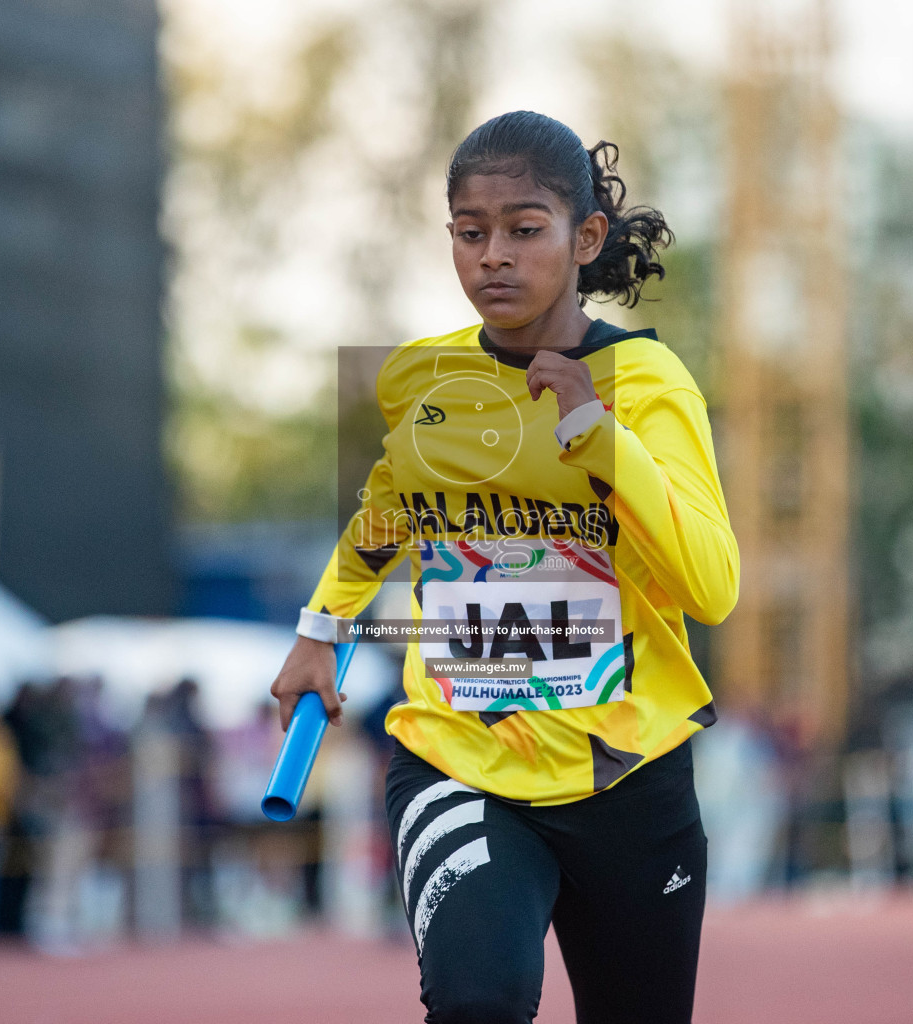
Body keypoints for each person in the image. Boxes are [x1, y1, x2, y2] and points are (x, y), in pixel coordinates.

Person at [269, 110, 739, 1024]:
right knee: (477, 1003)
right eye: (470, 233)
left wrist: (601, 441)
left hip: (626, 774)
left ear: (584, 237)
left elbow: (712, 587)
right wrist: (319, 634)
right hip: (460, 757)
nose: (493, 256)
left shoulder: (647, 384)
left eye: (525, 230)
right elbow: (383, 516)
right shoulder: (421, 381)